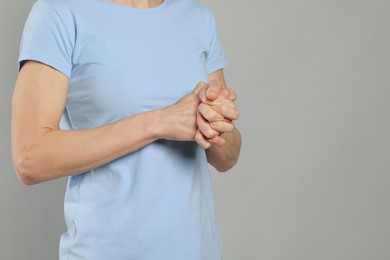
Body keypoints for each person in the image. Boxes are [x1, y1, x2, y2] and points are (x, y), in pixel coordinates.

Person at [12, 0, 241, 259]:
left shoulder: (197, 17)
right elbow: (30, 158)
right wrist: (159, 123)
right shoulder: (58, 12)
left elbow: (228, 157)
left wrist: (213, 122)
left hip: (199, 251)